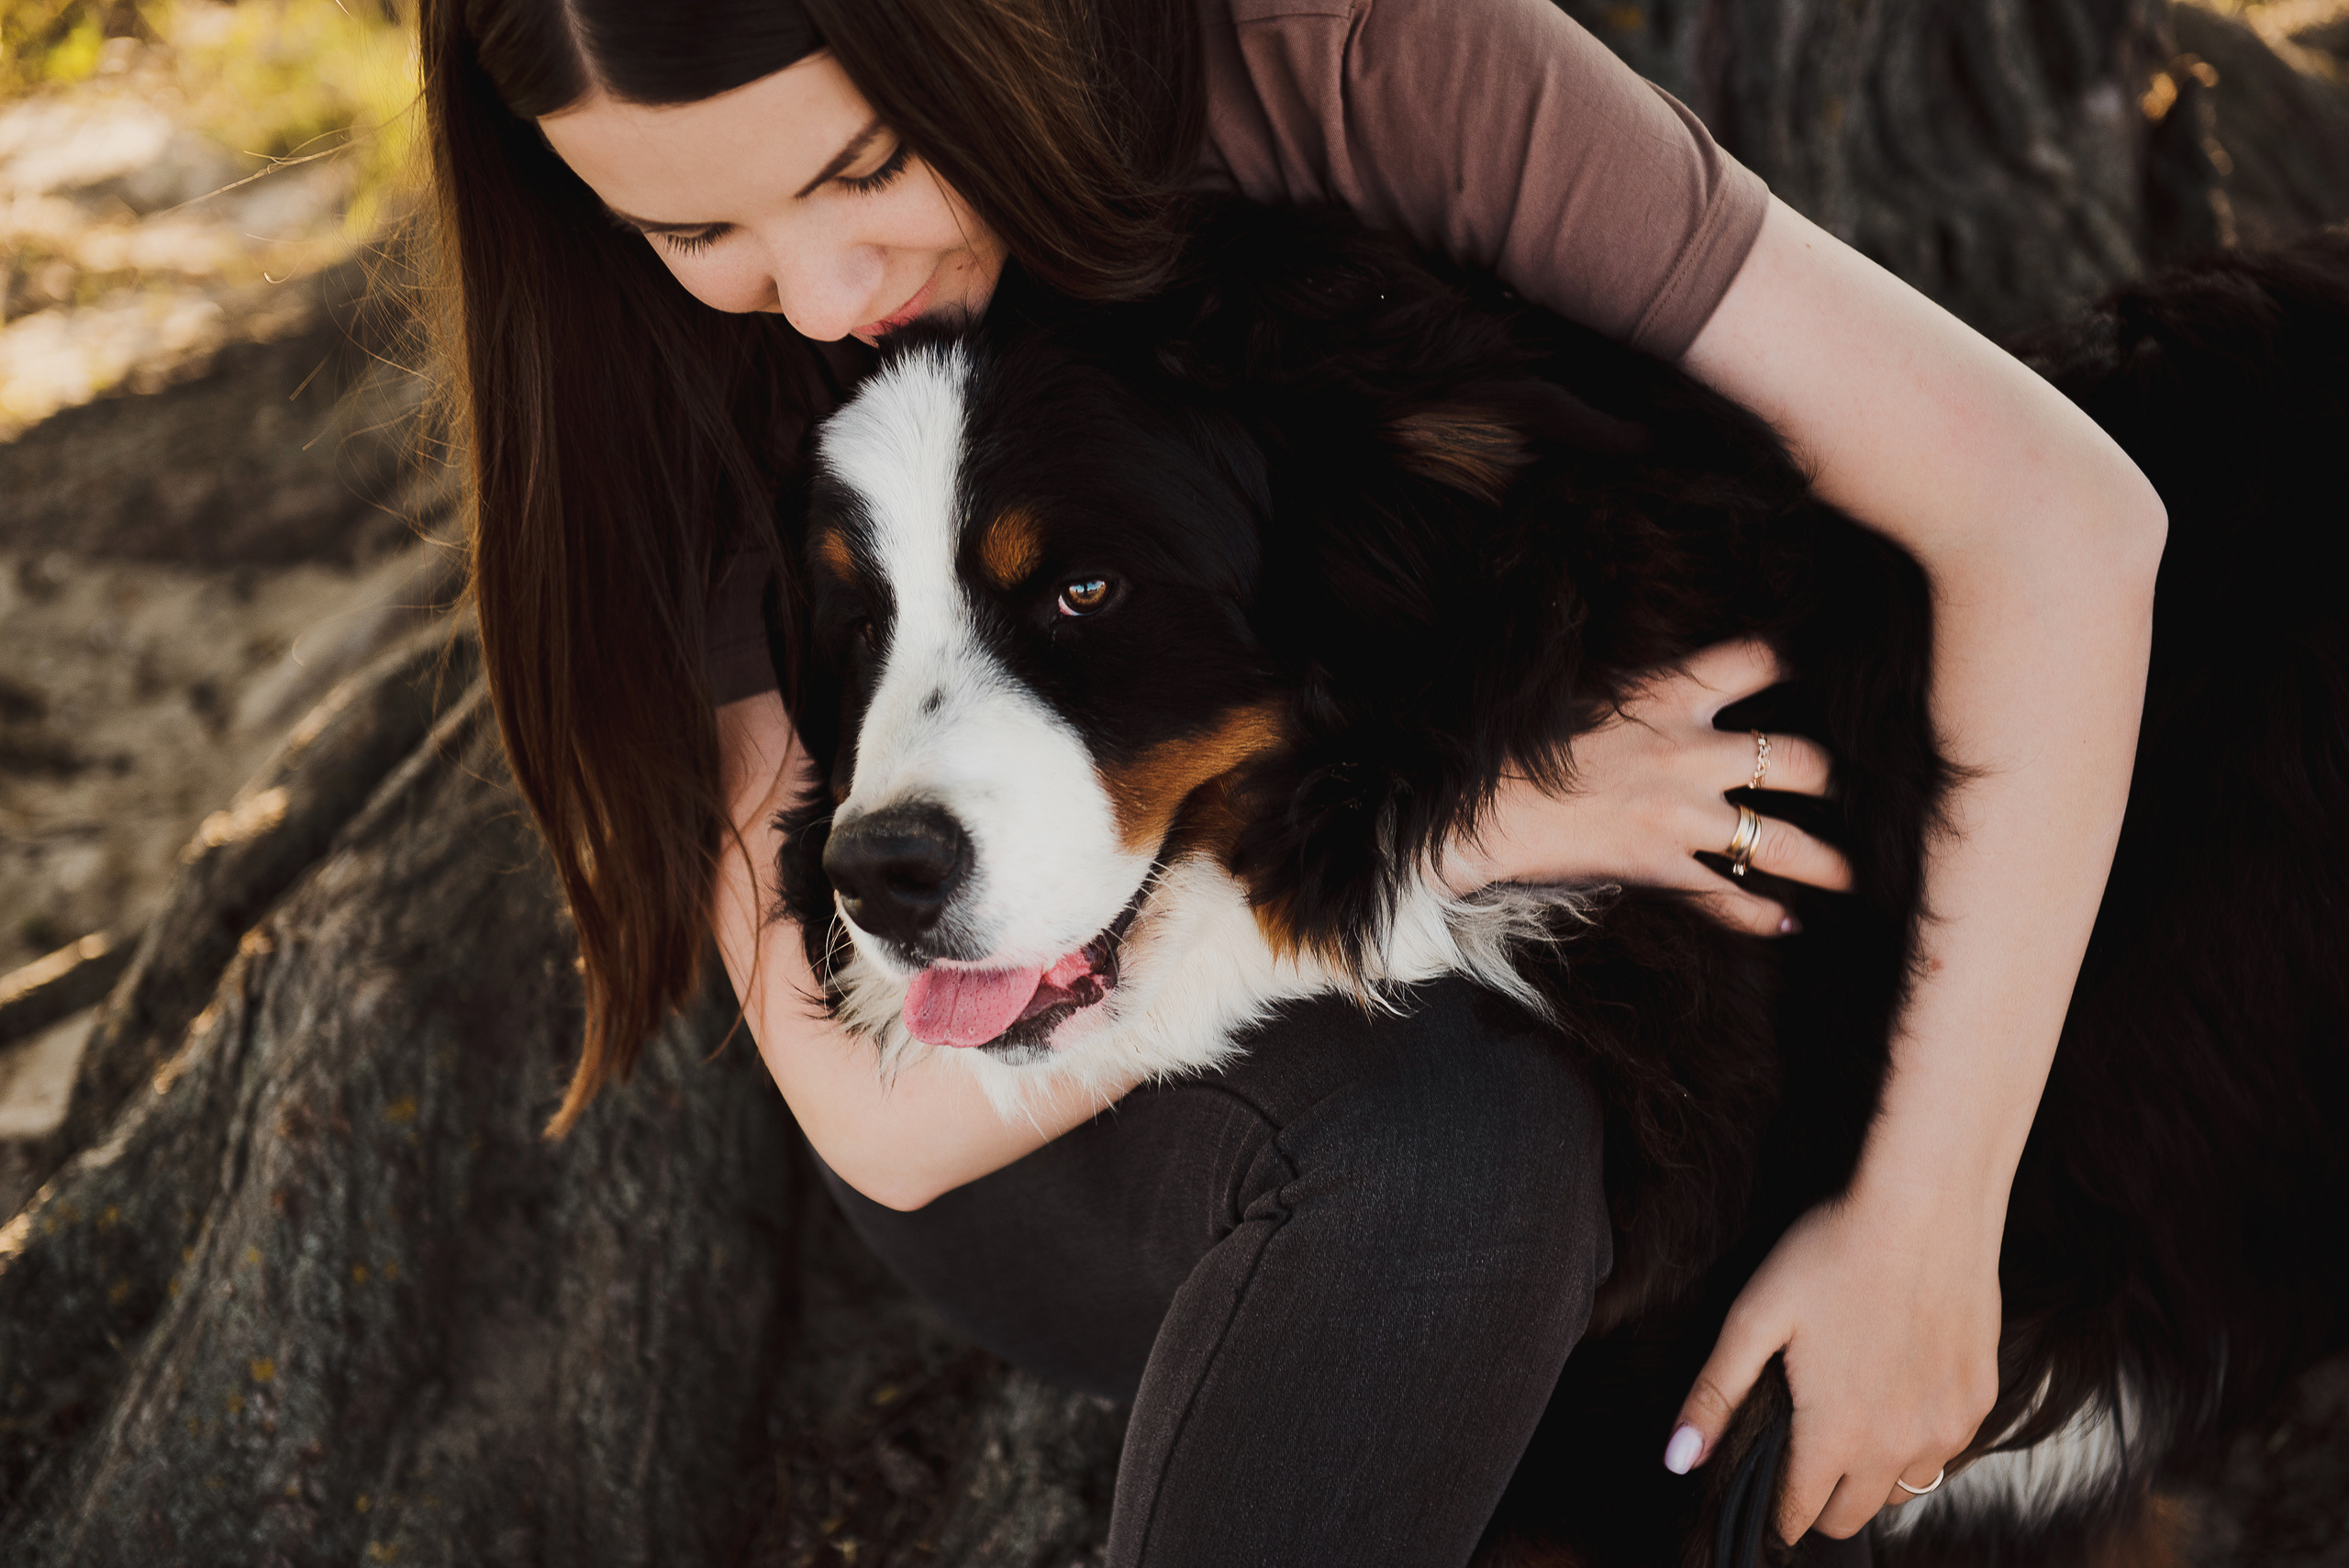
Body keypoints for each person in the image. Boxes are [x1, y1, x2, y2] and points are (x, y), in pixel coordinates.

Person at [418, 0, 2165, 1561]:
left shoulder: (1346, 47)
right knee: (1451, 1144)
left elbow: (2056, 519)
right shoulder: (638, 367)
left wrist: (1925, 1232)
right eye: (693, 229)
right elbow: (879, 1117)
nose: (825, 296)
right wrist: (1455, 837)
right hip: (1049, 1114)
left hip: (1570, 946)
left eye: (866, 165)